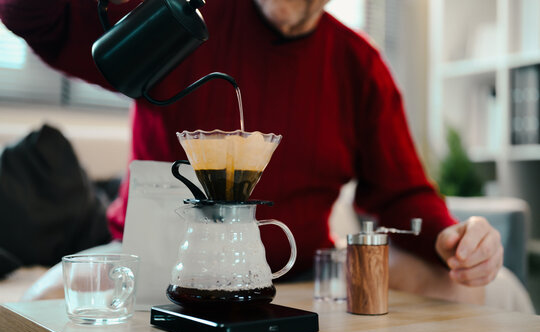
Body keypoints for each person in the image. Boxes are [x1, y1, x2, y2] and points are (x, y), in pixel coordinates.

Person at [0, 0, 506, 305]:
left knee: (461, 288)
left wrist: (451, 238)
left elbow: (402, 192)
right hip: (154, 264)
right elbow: (36, 19)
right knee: (39, 303)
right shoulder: (178, 21)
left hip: (297, 269)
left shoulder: (358, 65)